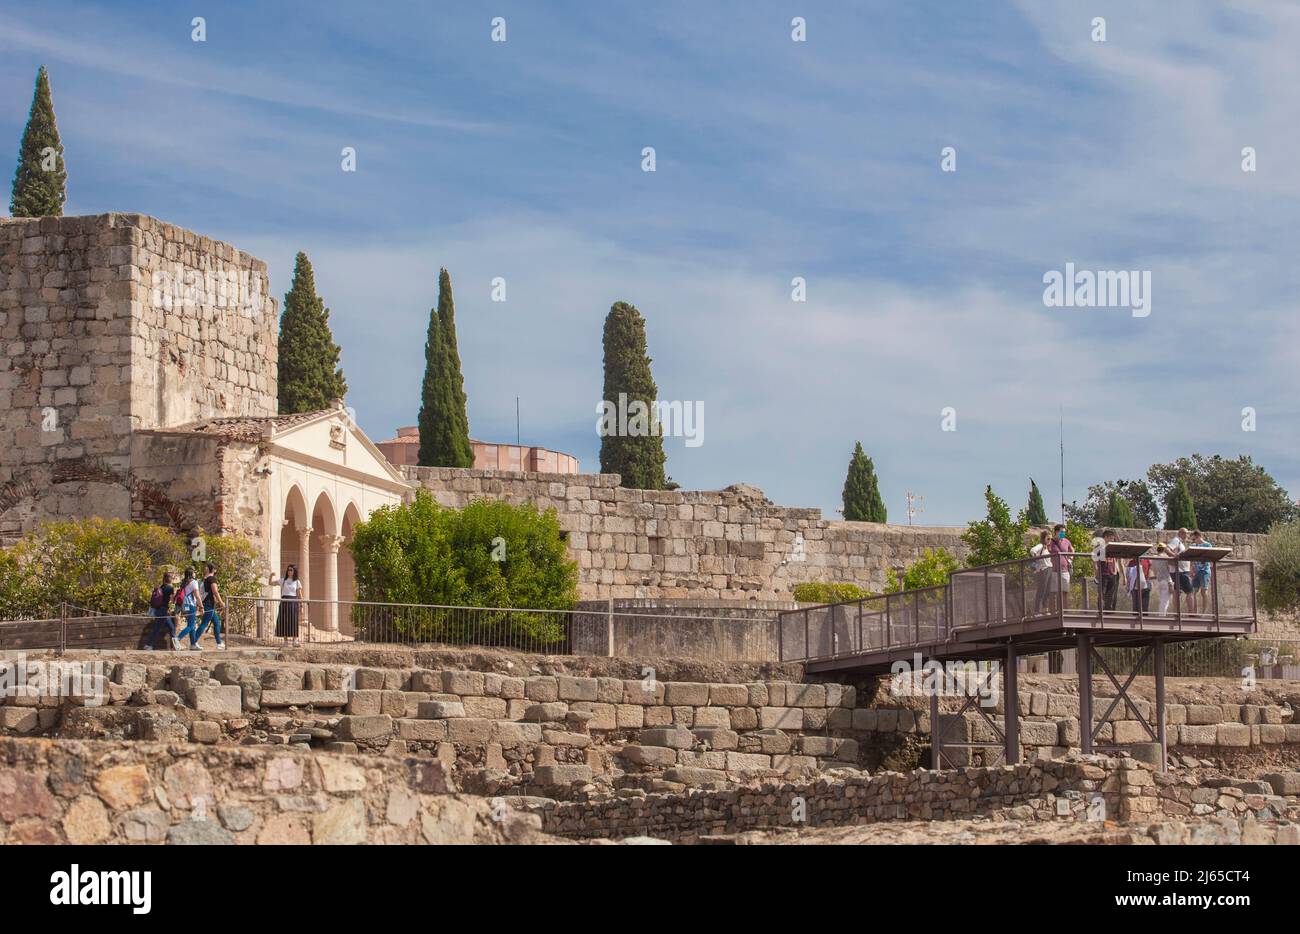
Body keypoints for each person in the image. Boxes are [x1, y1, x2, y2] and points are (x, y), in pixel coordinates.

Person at [192, 562, 227, 650]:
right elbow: (215, 591)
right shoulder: (212, 579)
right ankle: (193, 642)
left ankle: (219, 643)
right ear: (214, 570)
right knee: (204, 623)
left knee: (216, 622)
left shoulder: (205, 579)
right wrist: (222, 602)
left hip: (207, 603)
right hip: (209, 604)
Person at [144, 571, 176, 650]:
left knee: (171, 627)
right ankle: (148, 645)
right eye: (172, 578)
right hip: (163, 611)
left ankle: (176, 646)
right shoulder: (170, 588)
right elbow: (173, 600)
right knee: (157, 628)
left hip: (159, 610)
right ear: (170, 579)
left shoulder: (161, 586)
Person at [172, 567, 201, 650]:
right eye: (194, 572)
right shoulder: (194, 582)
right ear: (191, 574)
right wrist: (201, 606)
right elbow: (197, 596)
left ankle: (193, 644)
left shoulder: (184, 583)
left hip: (185, 606)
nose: (195, 573)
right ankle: (177, 639)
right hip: (191, 606)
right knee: (191, 626)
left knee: (191, 625)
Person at [1167, 527, 1193, 611]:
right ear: (1181, 533)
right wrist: (1174, 556)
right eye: (1186, 533)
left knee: (1177, 591)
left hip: (1180, 570)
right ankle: (1191, 613)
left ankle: (1177, 611)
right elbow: (1167, 549)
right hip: (1180, 571)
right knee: (1189, 591)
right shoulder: (1176, 540)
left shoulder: (1180, 542)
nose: (1187, 535)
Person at [275, 564, 302, 647]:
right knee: (284, 621)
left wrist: (301, 606)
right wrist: (271, 576)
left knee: (293, 621)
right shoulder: (283, 580)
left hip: (293, 602)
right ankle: (285, 642)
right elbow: (271, 583)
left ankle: (295, 641)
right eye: (289, 570)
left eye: (291, 570)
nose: (290, 571)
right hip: (284, 601)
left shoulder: (297, 581)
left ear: (294, 571)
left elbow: (300, 595)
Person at [1048, 523, 1073, 612]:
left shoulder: (1066, 541)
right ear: (1056, 532)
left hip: (1065, 570)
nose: (1063, 534)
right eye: (1061, 532)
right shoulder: (1050, 542)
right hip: (1054, 570)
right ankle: (1053, 613)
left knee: (1064, 592)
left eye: (1064, 532)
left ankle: (1065, 612)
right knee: (1053, 592)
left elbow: (1072, 550)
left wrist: (1070, 559)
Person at [1094, 529, 1119, 611]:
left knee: (1110, 594)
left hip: (1112, 573)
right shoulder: (1099, 547)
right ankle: (1100, 611)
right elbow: (1094, 560)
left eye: (1113, 538)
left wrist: (1115, 570)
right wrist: (1096, 571)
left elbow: (1115, 559)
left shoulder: (1113, 547)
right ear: (1106, 537)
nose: (1113, 540)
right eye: (1111, 538)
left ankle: (1108, 611)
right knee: (1102, 593)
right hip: (1103, 573)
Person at [1029, 530, 1053, 615]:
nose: (1050, 540)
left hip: (1050, 569)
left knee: (1047, 590)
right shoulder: (1040, 545)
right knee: (1041, 590)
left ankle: (1045, 609)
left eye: (1051, 539)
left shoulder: (1047, 548)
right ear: (1044, 538)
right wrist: (1037, 561)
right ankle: (1037, 611)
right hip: (1044, 570)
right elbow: (1032, 551)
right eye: (1048, 538)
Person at [1191, 530, 1214, 614]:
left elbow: (1211, 559)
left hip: (1205, 571)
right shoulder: (1193, 545)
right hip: (1196, 571)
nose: (1193, 541)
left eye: (1194, 539)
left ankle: (1204, 612)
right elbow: (1191, 559)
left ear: (1198, 537)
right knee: (1193, 591)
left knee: (1203, 591)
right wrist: (1191, 569)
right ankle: (1195, 612)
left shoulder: (1208, 545)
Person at [1149, 543, 1173, 615]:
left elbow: (1154, 570)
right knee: (1165, 601)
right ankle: (1162, 616)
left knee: (1162, 600)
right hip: (1166, 580)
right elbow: (1169, 569)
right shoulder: (1166, 557)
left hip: (1159, 581)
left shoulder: (1154, 558)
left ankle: (1161, 614)